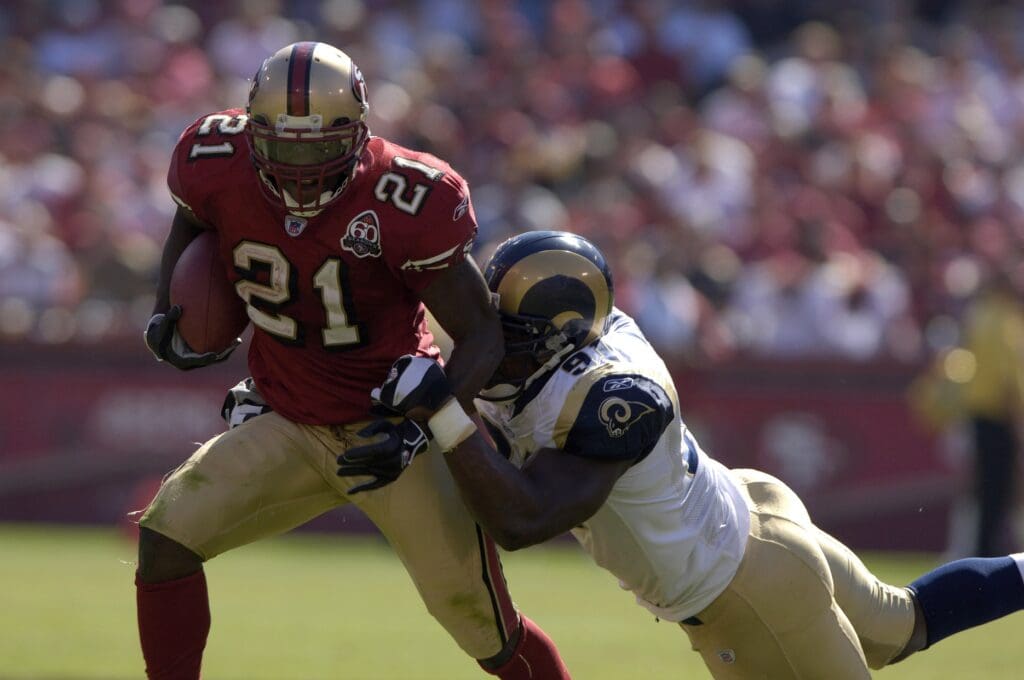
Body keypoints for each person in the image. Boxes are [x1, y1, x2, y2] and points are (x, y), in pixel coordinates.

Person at [341, 230, 1024, 679]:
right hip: (752, 521)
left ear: (556, 339)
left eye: (507, 331)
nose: (488, 341)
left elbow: (524, 522)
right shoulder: (580, 338)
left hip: (745, 593)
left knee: (901, 625)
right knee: (903, 624)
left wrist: (444, 418)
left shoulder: (611, 399)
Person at [138, 42, 569, 680]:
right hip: (287, 419)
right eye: (281, 145)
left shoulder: (407, 195)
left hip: (391, 431)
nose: (296, 165)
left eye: (315, 147)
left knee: (485, 628)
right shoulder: (212, 158)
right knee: (166, 537)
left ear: (358, 131)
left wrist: (420, 425)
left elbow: (482, 335)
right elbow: (189, 224)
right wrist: (167, 314)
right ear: (253, 131)